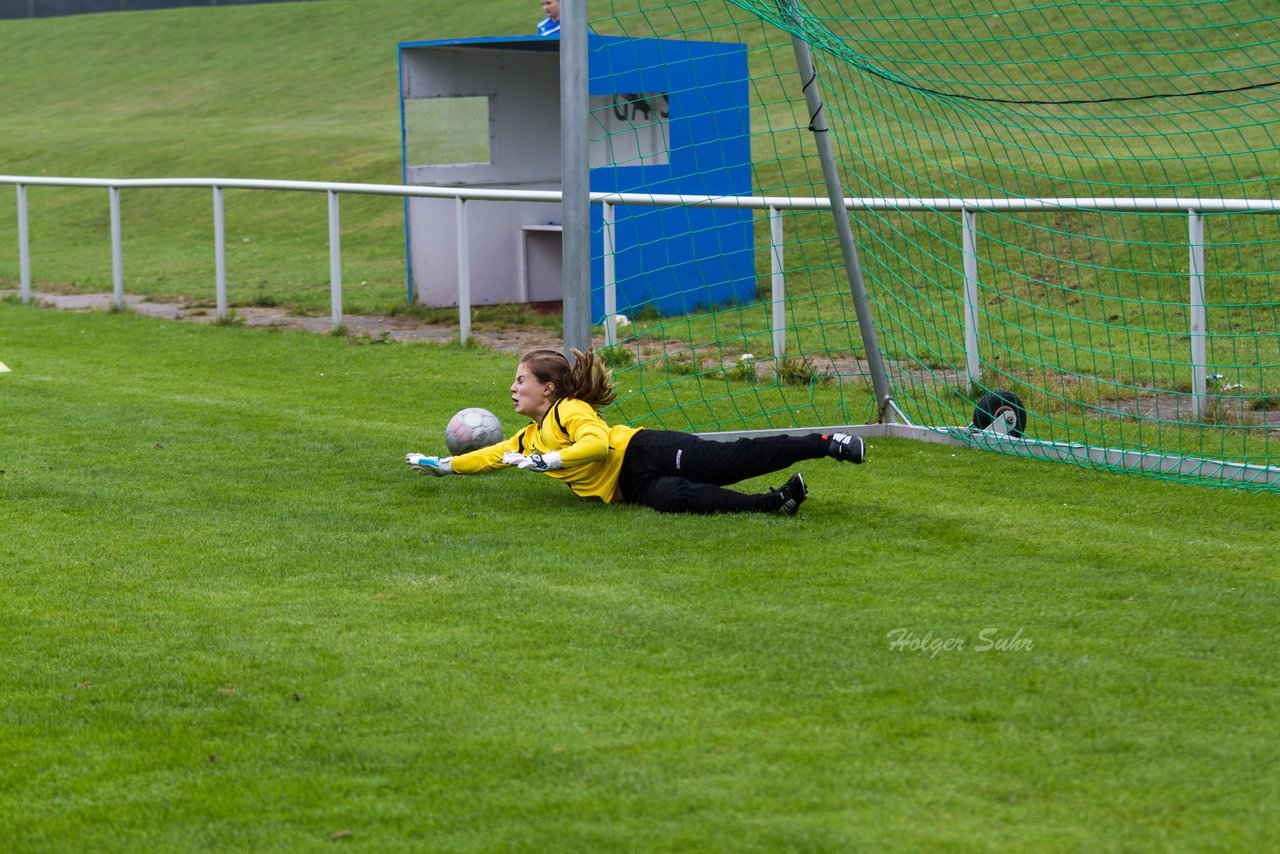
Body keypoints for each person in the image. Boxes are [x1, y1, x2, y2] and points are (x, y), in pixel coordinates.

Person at [405, 349, 866, 515]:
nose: (512, 387)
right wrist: (443, 465)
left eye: (520, 380)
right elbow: (489, 457)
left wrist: (552, 461)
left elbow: (598, 444)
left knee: (728, 463)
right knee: (680, 499)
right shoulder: (530, 436)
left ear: (547, 388)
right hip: (628, 488)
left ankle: (824, 443)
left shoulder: (571, 409)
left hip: (644, 452)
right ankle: (772, 504)